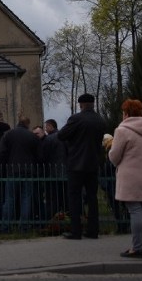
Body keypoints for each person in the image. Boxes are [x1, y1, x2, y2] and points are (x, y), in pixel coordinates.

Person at [108, 99, 142, 258]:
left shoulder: (122, 130)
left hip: (130, 175)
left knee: (135, 210)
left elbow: (115, 157)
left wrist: (110, 147)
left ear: (126, 113)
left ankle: (136, 248)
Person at [57, 93, 106, 240]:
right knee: (92, 198)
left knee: (74, 198)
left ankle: (76, 231)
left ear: (81, 104)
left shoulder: (76, 119)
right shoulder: (100, 120)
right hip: (93, 164)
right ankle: (93, 230)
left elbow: (61, 135)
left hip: (76, 164)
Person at [0, 117, 39, 232]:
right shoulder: (32, 136)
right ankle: (24, 226)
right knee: (26, 199)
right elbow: (38, 154)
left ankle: (6, 226)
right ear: (28, 124)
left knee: (9, 199)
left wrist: (7, 164)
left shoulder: (8, 135)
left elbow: (1, 153)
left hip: (12, 171)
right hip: (28, 171)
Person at [42, 119, 67, 220]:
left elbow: (44, 156)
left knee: (53, 199)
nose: (45, 129)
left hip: (53, 173)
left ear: (50, 126)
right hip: (66, 172)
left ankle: (52, 220)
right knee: (65, 198)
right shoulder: (65, 138)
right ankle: (67, 218)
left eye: (46, 126)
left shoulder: (49, 139)